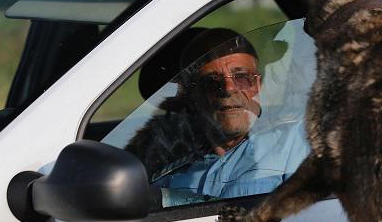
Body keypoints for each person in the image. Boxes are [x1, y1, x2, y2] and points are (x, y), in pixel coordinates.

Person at [125, 28, 309, 202]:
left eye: (242, 77)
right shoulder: (168, 164)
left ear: (257, 85)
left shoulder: (297, 143)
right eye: (211, 82)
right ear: (193, 97)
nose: (228, 89)